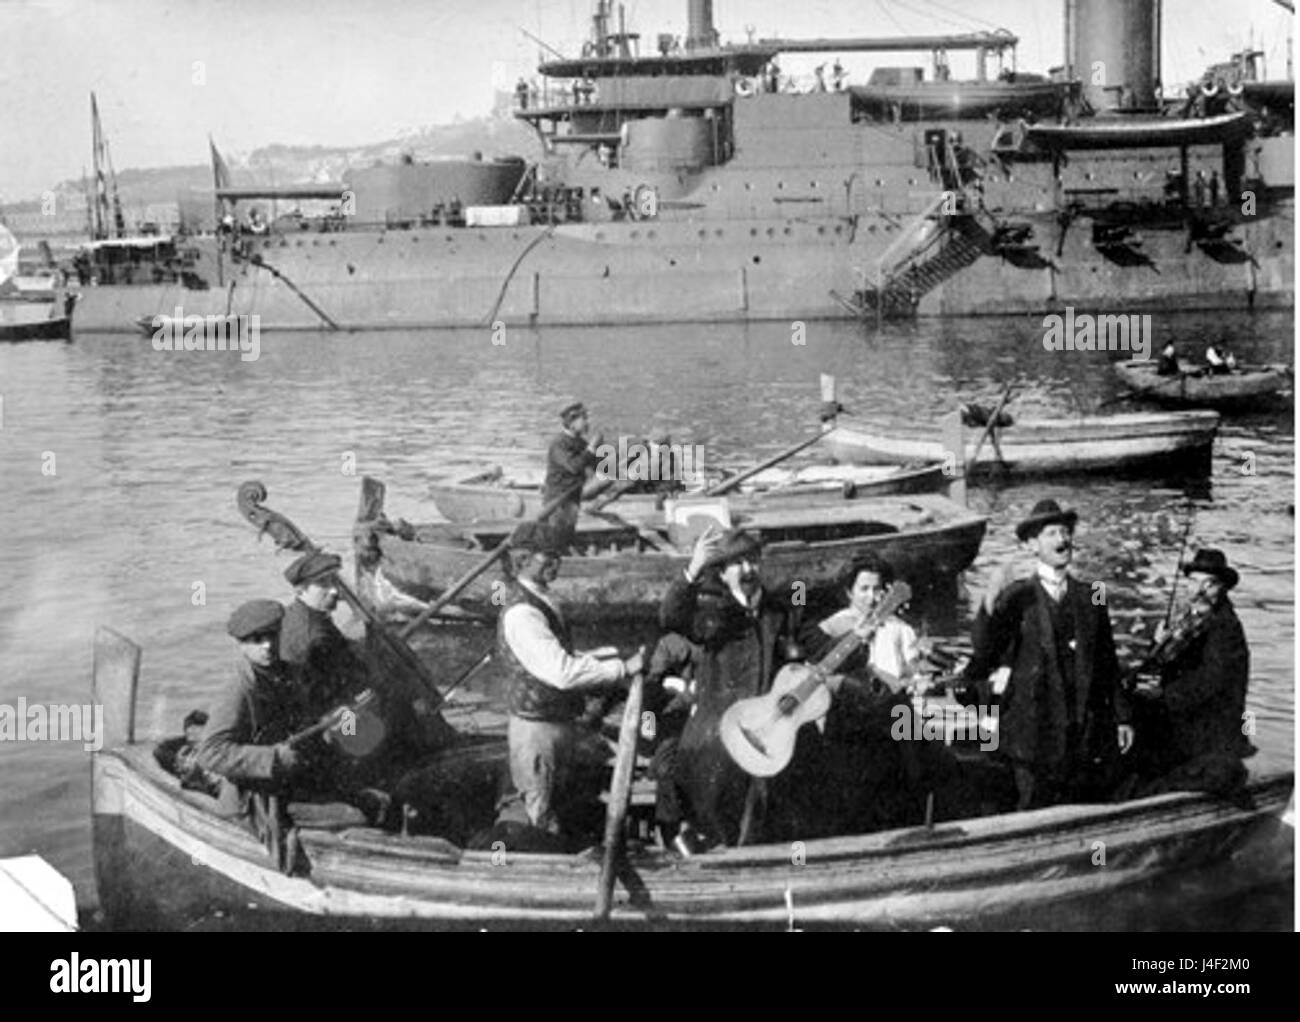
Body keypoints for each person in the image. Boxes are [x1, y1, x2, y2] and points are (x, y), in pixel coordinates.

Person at [961, 500, 1133, 810]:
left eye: (1065, 532)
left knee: (1078, 809)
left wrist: (1123, 718)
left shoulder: (1092, 594)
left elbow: (1107, 661)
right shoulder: (1017, 596)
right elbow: (984, 653)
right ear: (1031, 545)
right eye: (1051, 533)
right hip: (1031, 733)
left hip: (1079, 730)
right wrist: (989, 604)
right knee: (1031, 808)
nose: (1062, 540)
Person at [659, 525, 807, 847]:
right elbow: (671, 617)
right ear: (723, 574)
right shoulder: (713, 612)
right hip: (719, 719)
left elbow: (803, 649)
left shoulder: (779, 611)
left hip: (769, 721)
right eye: (738, 564)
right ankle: (705, 841)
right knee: (705, 777)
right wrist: (692, 570)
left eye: (753, 561)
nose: (748, 570)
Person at [495, 523, 643, 842]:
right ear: (523, 560)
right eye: (547, 557)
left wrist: (606, 655)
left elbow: (560, 654)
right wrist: (622, 667)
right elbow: (562, 673)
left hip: (555, 723)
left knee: (558, 803)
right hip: (537, 731)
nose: (556, 563)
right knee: (540, 810)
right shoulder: (522, 613)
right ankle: (539, 872)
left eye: (558, 556)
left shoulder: (542, 598)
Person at [1128, 549, 1254, 802]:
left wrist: (1161, 693)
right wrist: (1157, 645)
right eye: (1194, 582)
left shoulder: (1224, 628)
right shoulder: (1189, 620)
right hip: (1186, 717)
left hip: (1209, 732)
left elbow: (1208, 683)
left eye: (1210, 584)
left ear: (1223, 589)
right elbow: (1157, 667)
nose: (1199, 591)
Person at [198, 601, 336, 811]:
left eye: (272, 635)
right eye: (257, 640)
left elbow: (305, 718)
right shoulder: (239, 689)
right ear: (241, 645)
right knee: (354, 815)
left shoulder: (288, 673)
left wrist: (328, 724)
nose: (268, 645)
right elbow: (210, 753)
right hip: (253, 794)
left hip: (289, 776)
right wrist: (274, 758)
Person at [541, 401, 603, 551]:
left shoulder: (579, 442)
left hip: (572, 496)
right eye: (584, 419)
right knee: (555, 535)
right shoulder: (559, 443)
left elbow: (594, 464)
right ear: (572, 423)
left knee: (568, 533)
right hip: (558, 499)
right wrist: (591, 448)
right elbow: (574, 467)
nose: (587, 423)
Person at [153, 709, 222, 797]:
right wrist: (177, 760)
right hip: (189, 776)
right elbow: (159, 751)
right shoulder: (181, 743)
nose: (190, 731)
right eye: (188, 727)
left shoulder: (213, 745)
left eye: (196, 728)